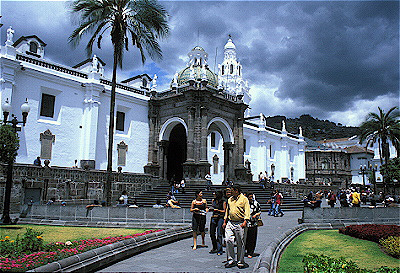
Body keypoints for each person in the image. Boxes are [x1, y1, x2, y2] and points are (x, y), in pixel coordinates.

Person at [222, 185, 250, 269]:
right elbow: (228, 210)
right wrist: (225, 220)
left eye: (232, 190)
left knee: (240, 242)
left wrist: (246, 221)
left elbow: (247, 210)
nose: (230, 192)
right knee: (228, 240)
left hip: (240, 223)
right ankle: (231, 260)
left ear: (236, 191)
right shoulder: (230, 199)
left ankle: (240, 261)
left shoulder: (244, 199)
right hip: (230, 222)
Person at [209, 191, 226, 255]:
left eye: (215, 193)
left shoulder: (223, 201)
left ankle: (219, 249)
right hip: (214, 217)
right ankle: (215, 247)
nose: (213, 194)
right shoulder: (213, 200)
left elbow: (224, 211)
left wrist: (217, 210)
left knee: (219, 233)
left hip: (220, 218)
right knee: (212, 233)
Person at [246, 192, 261, 259]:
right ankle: (246, 250)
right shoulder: (244, 204)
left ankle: (250, 252)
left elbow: (259, 211)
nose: (251, 198)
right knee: (246, 238)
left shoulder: (256, 203)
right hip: (246, 223)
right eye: (249, 197)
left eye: (252, 196)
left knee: (252, 238)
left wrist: (256, 215)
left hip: (253, 223)